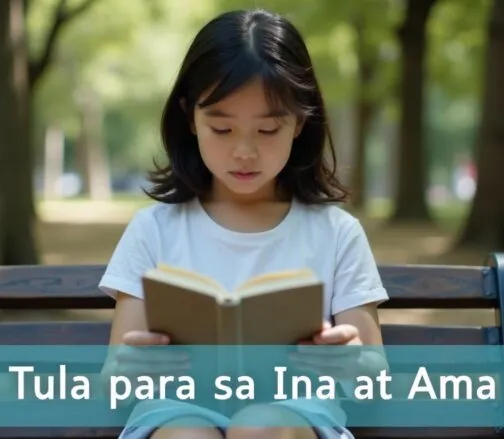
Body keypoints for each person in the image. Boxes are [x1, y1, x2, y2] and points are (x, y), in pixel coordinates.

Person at [98, 8, 389, 439]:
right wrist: (130, 370)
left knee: (260, 429)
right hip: (176, 411)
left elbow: (374, 383)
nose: (245, 152)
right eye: (222, 128)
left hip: (295, 416)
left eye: (269, 130)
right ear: (190, 118)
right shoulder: (154, 230)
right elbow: (114, 386)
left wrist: (352, 362)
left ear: (299, 123)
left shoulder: (335, 233)